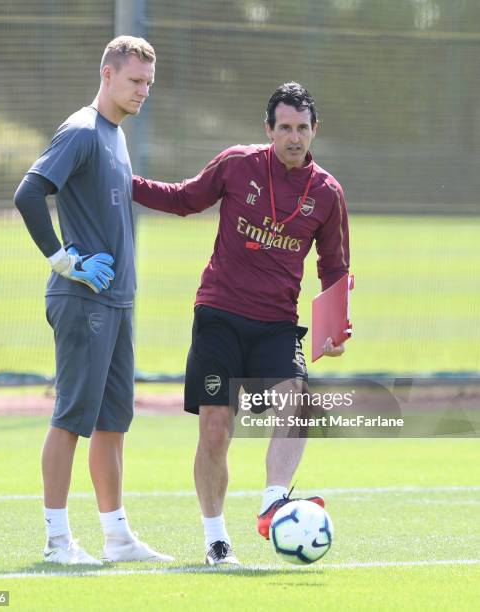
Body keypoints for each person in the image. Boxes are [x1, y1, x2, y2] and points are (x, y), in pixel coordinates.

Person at [133, 82, 349, 565]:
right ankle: (216, 540)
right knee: (215, 426)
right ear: (268, 130)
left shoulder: (328, 194)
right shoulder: (237, 165)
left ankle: (274, 500)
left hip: (276, 323)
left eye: (302, 128)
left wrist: (334, 328)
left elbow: (333, 266)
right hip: (219, 315)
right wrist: (126, 182)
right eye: (285, 128)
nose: (294, 137)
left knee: (296, 401)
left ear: (316, 130)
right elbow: (186, 198)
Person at [14, 35, 172, 565]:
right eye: (134, 81)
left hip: (118, 303)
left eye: (148, 83)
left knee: (112, 422)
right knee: (71, 417)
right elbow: (29, 193)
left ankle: (117, 536)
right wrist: (65, 261)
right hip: (83, 301)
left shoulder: (117, 135)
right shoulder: (82, 130)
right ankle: (58, 542)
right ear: (106, 74)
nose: (143, 91)